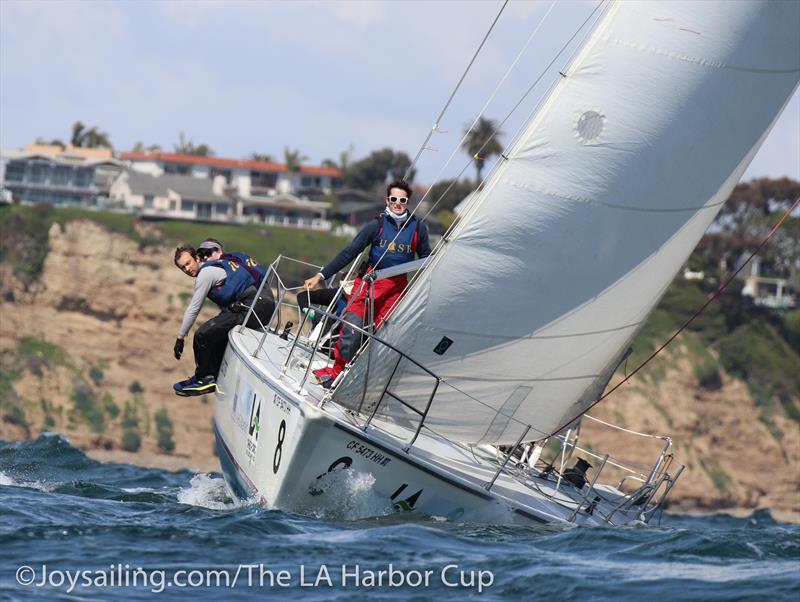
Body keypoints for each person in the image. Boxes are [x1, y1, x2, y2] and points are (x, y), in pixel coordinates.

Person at [304, 180, 431, 386]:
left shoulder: (418, 228)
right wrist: (321, 276)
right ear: (387, 200)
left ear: (408, 202)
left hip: (396, 289)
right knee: (351, 330)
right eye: (393, 199)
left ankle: (372, 382)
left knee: (388, 338)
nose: (398, 203)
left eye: (402, 200)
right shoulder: (377, 225)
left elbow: (427, 258)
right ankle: (337, 373)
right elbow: (349, 252)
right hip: (368, 284)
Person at [172, 240, 275, 396]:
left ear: (197, 259)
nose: (186, 269)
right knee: (216, 333)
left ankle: (204, 378)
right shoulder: (218, 267)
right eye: (182, 267)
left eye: (188, 263)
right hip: (261, 305)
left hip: (254, 306)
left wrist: (180, 337)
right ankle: (218, 375)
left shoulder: (206, 273)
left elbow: (194, 308)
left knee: (202, 335)